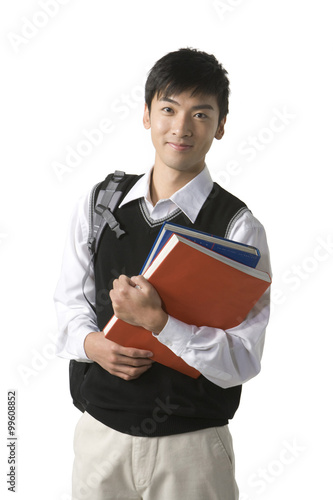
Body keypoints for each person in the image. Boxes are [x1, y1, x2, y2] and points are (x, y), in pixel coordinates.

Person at [54, 48, 271, 500]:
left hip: (192, 451)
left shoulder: (238, 226)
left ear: (222, 126)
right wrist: (92, 344)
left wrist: (159, 323)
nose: (181, 127)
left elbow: (242, 361)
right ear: (147, 113)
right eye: (169, 109)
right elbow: (70, 303)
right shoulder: (100, 203)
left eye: (201, 114)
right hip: (101, 438)